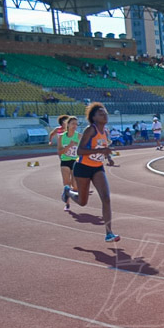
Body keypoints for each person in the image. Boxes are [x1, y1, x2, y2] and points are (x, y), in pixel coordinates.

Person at [66, 102, 120, 242]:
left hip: (97, 168)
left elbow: (104, 146)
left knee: (106, 198)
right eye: (101, 113)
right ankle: (68, 192)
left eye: (105, 113)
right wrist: (100, 151)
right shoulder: (91, 130)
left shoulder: (105, 131)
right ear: (94, 117)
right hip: (83, 167)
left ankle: (109, 233)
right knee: (83, 202)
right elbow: (80, 151)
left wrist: (108, 157)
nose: (104, 115)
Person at [57, 116, 80, 211]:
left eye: (76, 124)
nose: (75, 126)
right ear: (68, 124)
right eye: (73, 123)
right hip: (65, 161)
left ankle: (74, 195)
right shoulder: (61, 137)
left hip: (75, 161)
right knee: (66, 183)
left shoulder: (79, 136)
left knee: (75, 185)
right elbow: (59, 152)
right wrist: (69, 146)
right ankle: (67, 204)